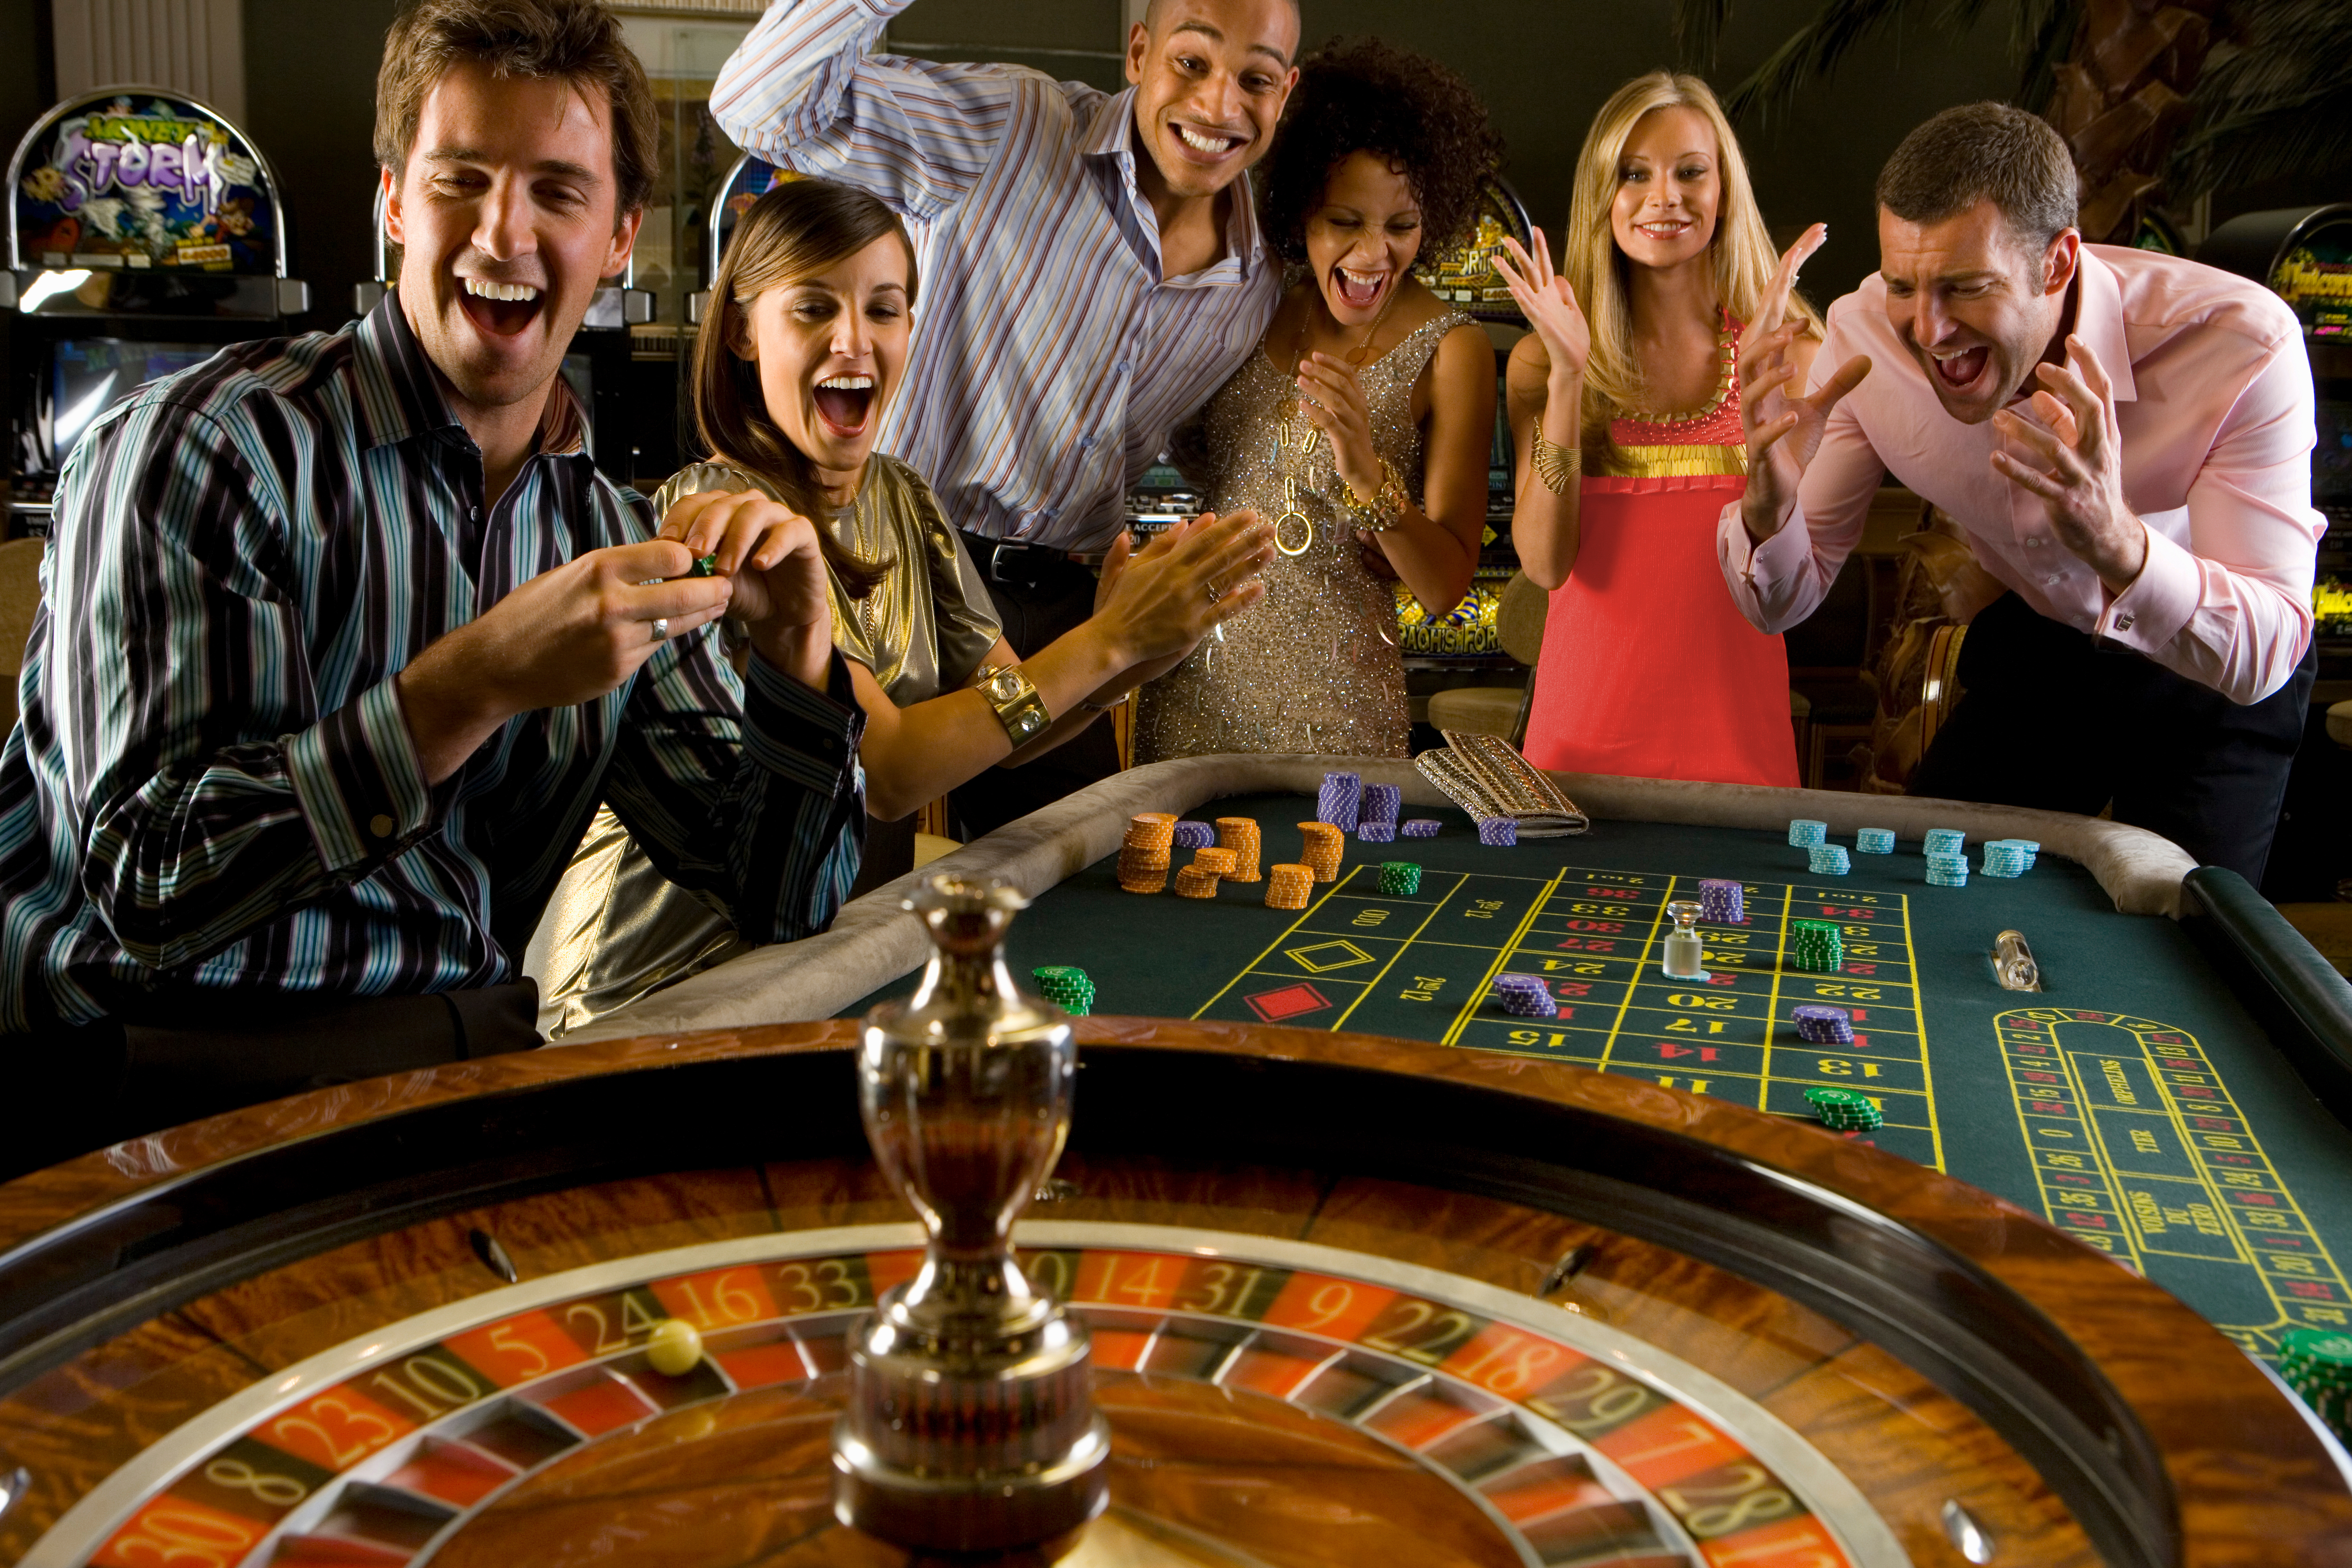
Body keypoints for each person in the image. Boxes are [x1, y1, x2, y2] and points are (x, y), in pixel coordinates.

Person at [0, 0, 871, 1178]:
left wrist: (797, 671)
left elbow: (783, 898)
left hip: (450, 1058)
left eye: (559, 192)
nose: (503, 234)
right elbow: (152, 888)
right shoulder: (200, 447)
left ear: (620, 237)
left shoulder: (603, 528)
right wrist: (468, 687)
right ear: (395, 203)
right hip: (137, 1084)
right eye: (462, 178)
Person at [531, 178, 1274, 1035]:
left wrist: (1142, 652)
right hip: (660, 991)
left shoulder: (904, 500)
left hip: (809, 964)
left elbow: (1005, 724)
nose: (854, 340)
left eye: (884, 311)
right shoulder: (720, 513)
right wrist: (1106, 644)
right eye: (813, 309)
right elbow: (885, 769)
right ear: (741, 330)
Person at [710, 0, 1301, 838]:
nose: (1217, 107)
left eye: (1256, 80)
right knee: (849, 891)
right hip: (883, 566)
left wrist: (1131, 636)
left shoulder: (1256, 287)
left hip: (1062, 596)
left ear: (1287, 93)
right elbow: (759, 102)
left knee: (1070, 889)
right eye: (1192, 63)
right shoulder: (1014, 126)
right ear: (1138, 51)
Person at [1722, 103, 2322, 880]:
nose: (1928, 330)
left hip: (2206, 673)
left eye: (1965, 288)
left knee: (2189, 942)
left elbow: (2265, 653)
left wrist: (2118, 545)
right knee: (1928, 891)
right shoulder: (1864, 335)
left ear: (2058, 263)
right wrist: (1767, 507)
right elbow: (1781, 604)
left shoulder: (2243, 342)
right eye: (1903, 283)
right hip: (2046, 644)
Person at [1131, 38, 1498, 762]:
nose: (1372, 256)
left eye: (1401, 226)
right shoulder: (1256, 301)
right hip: (1190, 695)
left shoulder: (1453, 351)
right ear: (1302, 211)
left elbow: (1445, 586)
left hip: (1337, 717)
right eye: (1345, 222)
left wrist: (1366, 474)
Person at [1495, 72, 1818, 787]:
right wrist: (1570, 377)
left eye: (1690, 172)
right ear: (1601, 197)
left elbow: (1798, 588)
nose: (1664, 196)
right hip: (1578, 752)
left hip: (1740, 751)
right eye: (1634, 173)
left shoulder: (1793, 358)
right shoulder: (1539, 363)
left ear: (1724, 190)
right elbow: (1546, 565)